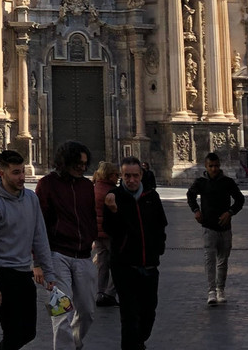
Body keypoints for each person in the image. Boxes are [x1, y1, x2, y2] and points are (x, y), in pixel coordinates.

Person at [0, 149, 54, 350]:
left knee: (28, 333)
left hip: (23, 274)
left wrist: (48, 271)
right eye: (15, 172)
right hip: (2, 275)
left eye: (22, 171)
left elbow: (40, 237)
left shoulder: (31, 198)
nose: (21, 177)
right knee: (12, 334)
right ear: (2, 173)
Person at [35, 141, 97, 350]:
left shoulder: (88, 186)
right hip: (56, 256)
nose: (82, 167)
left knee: (88, 311)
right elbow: (39, 224)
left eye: (85, 163)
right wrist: (38, 262)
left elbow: (90, 217)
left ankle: (75, 342)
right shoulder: (46, 185)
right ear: (65, 161)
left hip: (84, 256)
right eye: (78, 163)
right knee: (61, 314)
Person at [103, 156, 167, 350]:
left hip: (149, 264)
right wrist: (113, 211)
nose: (131, 180)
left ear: (141, 175)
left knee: (149, 312)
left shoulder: (151, 197)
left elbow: (161, 225)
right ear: (121, 176)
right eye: (127, 176)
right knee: (129, 315)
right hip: (125, 266)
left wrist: (158, 249)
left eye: (135, 176)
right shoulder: (114, 197)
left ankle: (138, 342)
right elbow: (109, 230)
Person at [186, 152, 244, 305]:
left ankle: (221, 289)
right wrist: (196, 210)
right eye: (211, 166)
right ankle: (211, 290)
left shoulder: (227, 182)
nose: (214, 169)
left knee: (223, 260)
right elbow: (190, 195)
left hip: (225, 227)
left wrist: (230, 212)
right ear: (206, 166)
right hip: (208, 226)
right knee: (210, 260)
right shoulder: (201, 182)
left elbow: (240, 199)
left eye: (216, 166)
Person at [92, 161, 120, 307]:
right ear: (110, 175)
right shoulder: (111, 191)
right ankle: (109, 293)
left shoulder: (95, 187)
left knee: (102, 265)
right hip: (110, 233)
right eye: (117, 175)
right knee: (119, 263)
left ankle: (100, 293)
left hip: (97, 233)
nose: (118, 178)